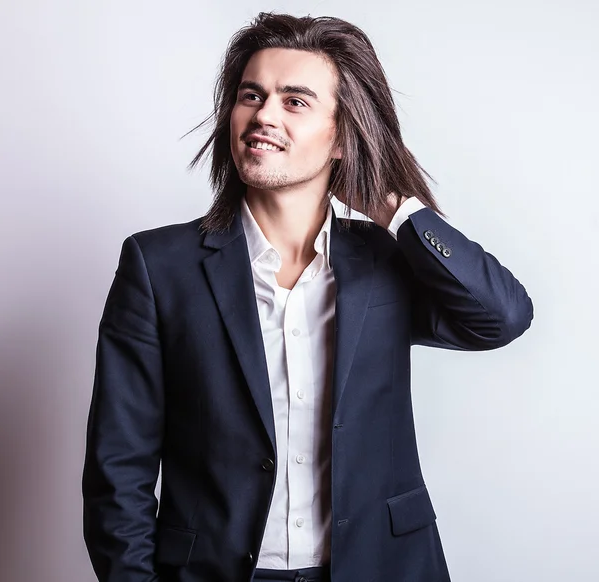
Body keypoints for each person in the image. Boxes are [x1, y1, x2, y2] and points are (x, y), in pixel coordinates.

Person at [82, 12, 534, 582]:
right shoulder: (159, 267)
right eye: (252, 95)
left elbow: (502, 317)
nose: (264, 115)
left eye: (295, 101)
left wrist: (394, 209)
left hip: (380, 567)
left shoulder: (386, 263)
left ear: (342, 135)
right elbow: (118, 465)